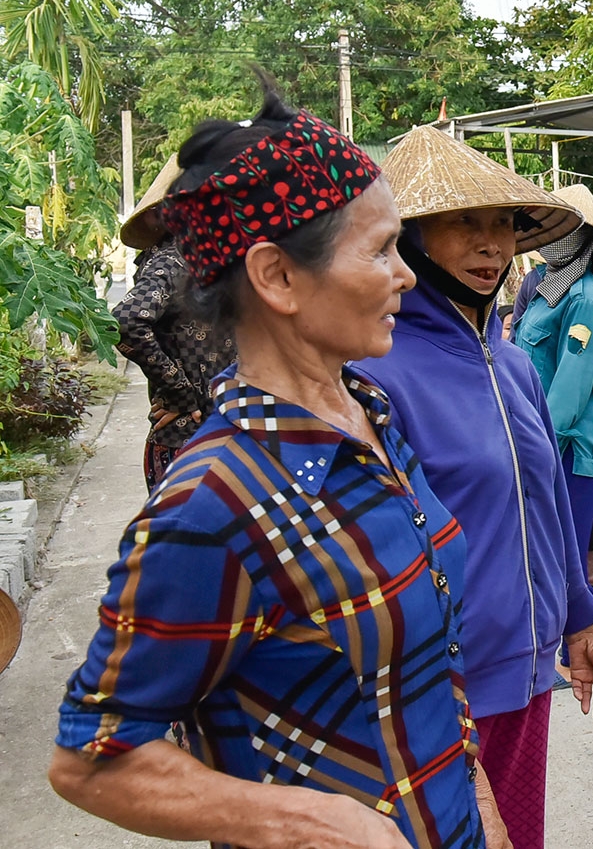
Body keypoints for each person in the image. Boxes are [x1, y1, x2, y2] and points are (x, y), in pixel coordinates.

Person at [50, 87, 507, 849]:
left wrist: (482, 813)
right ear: (279, 277)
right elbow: (91, 756)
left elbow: (428, 668)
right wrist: (300, 817)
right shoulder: (210, 507)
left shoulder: (373, 420)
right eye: (381, 249)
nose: (408, 276)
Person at [355, 126, 593, 849]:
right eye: (464, 222)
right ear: (410, 238)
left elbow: (549, 507)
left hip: (528, 674)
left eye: (503, 223)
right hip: (437, 689)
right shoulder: (375, 373)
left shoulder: (514, 367)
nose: (492, 244)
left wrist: (579, 615)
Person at [512, 183, 593, 640]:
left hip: (569, 446)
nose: (545, 240)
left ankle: (570, 646)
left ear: (580, 238)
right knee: (554, 546)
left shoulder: (584, 297)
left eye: (557, 232)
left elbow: (570, 391)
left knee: (562, 548)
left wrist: (532, 445)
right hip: (552, 440)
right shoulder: (550, 287)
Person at [113, 159, 237, 489]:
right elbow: (126, 320)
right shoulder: (174, 258)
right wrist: (180, 392)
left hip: (222, 432)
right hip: (187, 440)